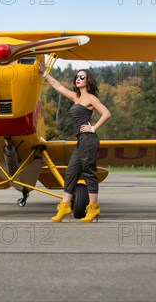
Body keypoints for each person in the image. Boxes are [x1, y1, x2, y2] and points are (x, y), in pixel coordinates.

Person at [42, 66, 111, 222]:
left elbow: (107, 113)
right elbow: (58, 86)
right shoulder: (76, 97)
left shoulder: (91, 98)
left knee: (88, 172)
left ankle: (93, 208)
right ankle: (65, 206)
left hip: (89, 139)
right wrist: (45, 73)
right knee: (71, 172)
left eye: (82, 77)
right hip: (81, 141)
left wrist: (93, 128)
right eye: (77, 77)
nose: (78, 79)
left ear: (88, 81)